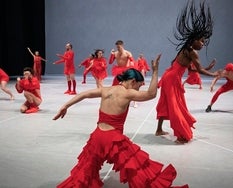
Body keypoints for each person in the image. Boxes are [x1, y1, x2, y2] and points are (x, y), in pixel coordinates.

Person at [53, 54, 189, 188]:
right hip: (114, 140)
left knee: (84, 172)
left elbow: (84, 94)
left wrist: (65, 106)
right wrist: (155, 71)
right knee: (138, 168)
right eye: (139, 86)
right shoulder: (128, 93)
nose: (138, 90)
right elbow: (151, 94)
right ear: (133, 82)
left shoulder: (106, 90)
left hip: (97, 137)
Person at [155, 0, 221, 144]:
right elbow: (198, 70)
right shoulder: (193, 53)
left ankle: (159, 129)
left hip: (170, 76)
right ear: (194, 40)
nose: (203, 44)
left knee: (167, 103)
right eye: (201, 41)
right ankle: (181, 135)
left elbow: (186, 67)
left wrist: (208, 68)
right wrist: (214, 74)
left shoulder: (185, 49)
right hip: (172, 79)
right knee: (174, 106)